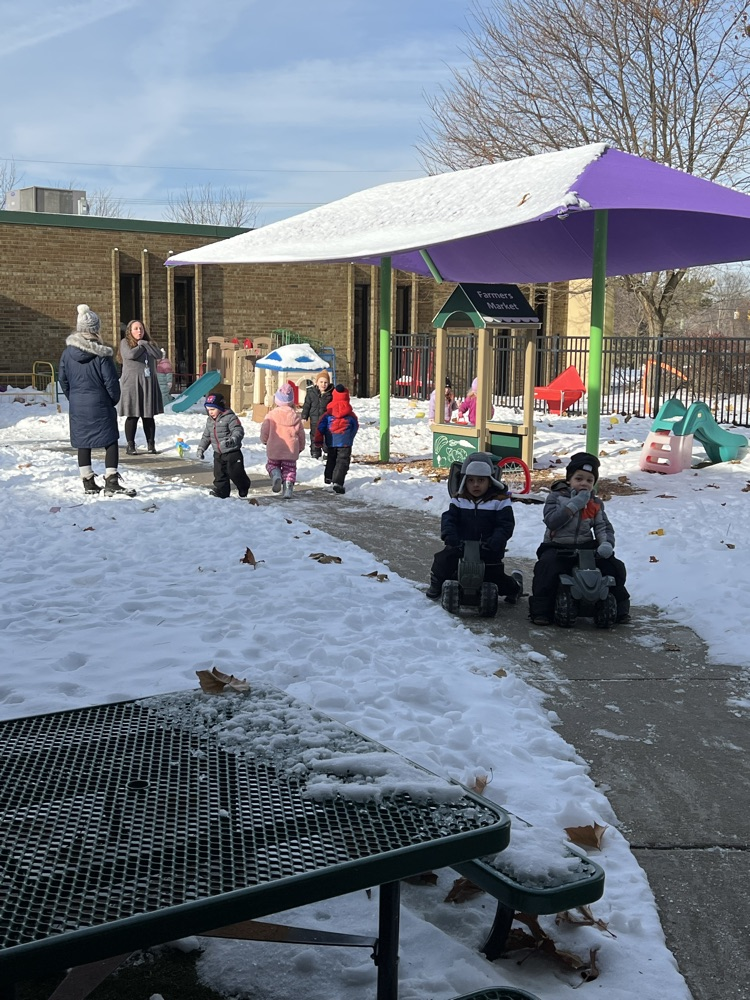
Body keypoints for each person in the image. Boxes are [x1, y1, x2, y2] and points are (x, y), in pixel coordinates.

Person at [528, 451, 630, 625]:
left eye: (589, 480)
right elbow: (552, 522)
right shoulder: (556, 497)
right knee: (547, 568)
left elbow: (602, 526)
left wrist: (605, 544)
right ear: (569, 480)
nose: (584, 483)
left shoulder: (595, 503)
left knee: (615, 567)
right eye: (579, 479)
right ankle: (541, 611)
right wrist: (574, 505)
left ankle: (620, 608)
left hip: (585, 547)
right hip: (558, 545)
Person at [59, 304, 136, 496]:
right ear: (96, 329)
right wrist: (112, 400)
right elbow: (111, 381)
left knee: (83, 442)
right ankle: (111, 480)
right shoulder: (101, 354)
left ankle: (88, 482)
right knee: (110, 440)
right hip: (100, 402)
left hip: (78, 404)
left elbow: (63, 379)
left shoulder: (67, 353)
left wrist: (73, 397)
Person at [425, 454, 522, 601]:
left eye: (481, 480)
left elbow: (505, 524)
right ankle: (436, 584)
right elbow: (449, 518)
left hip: (488, 548)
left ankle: (514, 587)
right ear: (465, 481)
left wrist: (496, 540)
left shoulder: (499, 501)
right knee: (443, 560)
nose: (475, 484)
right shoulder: (460, 499)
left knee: (494, 576)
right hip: (461, 546)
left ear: (490, 482)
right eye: (471, 480)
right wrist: (450, 535)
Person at [117, 319, 164, 454]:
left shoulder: (148, 343)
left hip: (148, 383)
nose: (139, 331)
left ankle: (151, 444)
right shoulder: (125, 343)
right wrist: (141, 346)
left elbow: (158, 355)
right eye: (136, 329)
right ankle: (130, 445)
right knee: (133, 415)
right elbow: (130, 355)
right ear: (130, 331)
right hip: (132, 384)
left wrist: (145, 344)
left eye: (141, 329)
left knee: (148, 416)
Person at [196, 392, 251, 499]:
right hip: (218, 453)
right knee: (219, 475)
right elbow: (206, 436)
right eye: (208, 410)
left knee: (235, 473)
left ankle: (243, 486)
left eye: (213, 409)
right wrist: (201, 448)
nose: (210, 412)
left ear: (220, 407)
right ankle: (222, 492)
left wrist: (233, 439)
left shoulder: (230, 418)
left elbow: (238, 430)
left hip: (232, 453)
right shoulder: (210, 421)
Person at [260, 383, 306, 499]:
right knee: (289, 469)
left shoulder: (271, 415)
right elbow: (301, 434)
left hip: (274, 447)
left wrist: (265, 440)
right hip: (291, 449)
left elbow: (265, 430)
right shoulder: (295, 416)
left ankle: (275, 474)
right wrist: (301, 446)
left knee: (272, 464)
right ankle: (288, 488)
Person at [314, 384, 359, 494]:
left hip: (331, 440)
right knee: (342, 461)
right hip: (345, 442)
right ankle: (338, 482)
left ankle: (328, 476)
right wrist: (350, 437)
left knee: (331, 458)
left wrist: (318, 440)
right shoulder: (350, 414)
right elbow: (355, 426)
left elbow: (321, 427)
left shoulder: (328, 414)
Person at [300, 371, 333, 458]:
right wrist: (304, 416)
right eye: (321, 382)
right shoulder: (311, 393)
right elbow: (307, 405)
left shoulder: (331, 394)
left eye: (325, 382)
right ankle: (315, 452)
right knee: (314, 437)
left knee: (327, 437)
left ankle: (327, 452)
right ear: (317, 382)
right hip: (315, 421)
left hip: (326, 421)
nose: (323, 384)